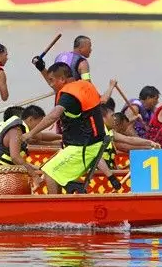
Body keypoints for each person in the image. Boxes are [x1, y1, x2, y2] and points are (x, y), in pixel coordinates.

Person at [24, 62, 110, 194]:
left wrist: (29, 134)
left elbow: (53, 116)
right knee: (56, 171)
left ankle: (55, 205)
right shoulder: (85, 85)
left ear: (62, 79)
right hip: (92, 143)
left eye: (51, 80)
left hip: (84, 148)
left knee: (49, 171)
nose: (50, 84)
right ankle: (70, 195)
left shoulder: (68, 96)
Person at [0, 105, 44, 184]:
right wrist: (35, 176)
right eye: (40, 124)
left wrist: (34, 167)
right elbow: (15, 158)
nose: (40, 127)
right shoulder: (16, 130)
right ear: (30, 119)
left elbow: (39, 137)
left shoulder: (9, 126)